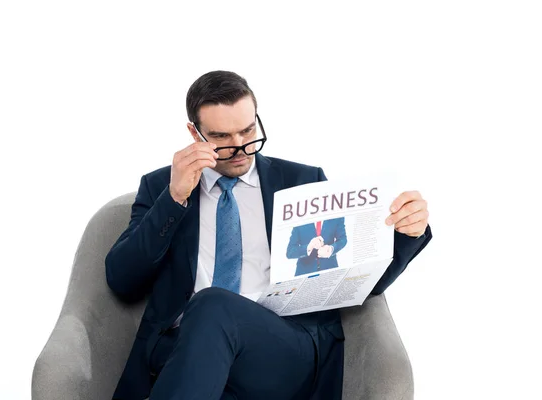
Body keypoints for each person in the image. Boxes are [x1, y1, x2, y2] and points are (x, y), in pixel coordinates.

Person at [105, 70, 432, 400]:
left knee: (213, 303)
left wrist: (408, 232)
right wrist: (174, 199)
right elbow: (122, 279)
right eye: (221, 137)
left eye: (248, 131)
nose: (240, 148)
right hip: (185, 350)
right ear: (195, 133)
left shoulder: (303, 181)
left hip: (283, 348)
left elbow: (355, 279)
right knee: (205, 346)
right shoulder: (162, 186)